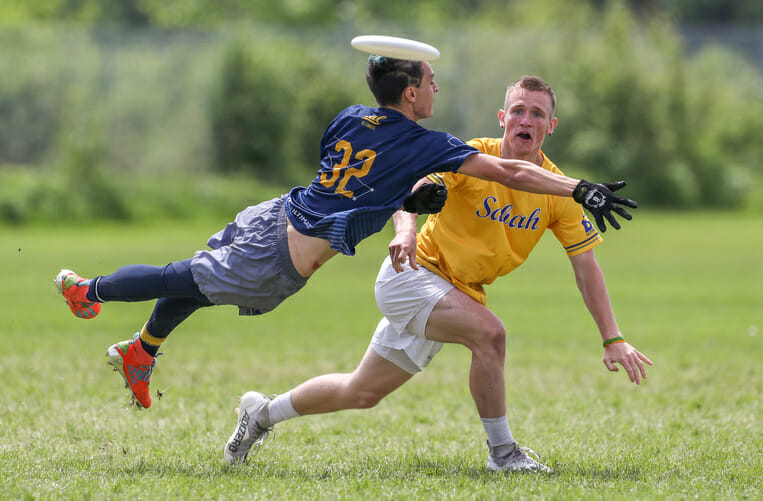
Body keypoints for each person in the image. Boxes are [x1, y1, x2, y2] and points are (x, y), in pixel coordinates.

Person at [55, 57, 637, 411]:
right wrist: (581, 187)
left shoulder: (350, 115)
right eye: (431, 81)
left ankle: (142, 352)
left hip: (276, 212)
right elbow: (508, 172)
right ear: (410, 93)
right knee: (183, 277)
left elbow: (364, 181)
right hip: (282, 258)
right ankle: (91, 292)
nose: (436, 89)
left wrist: (406, 200)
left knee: (197, 282)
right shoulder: (426, 144)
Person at [222, 75, 652, 472]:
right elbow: (412, 188)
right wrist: (406, 231)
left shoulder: (556, 191)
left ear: (550, 126)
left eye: (536, 113)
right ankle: (503, 454)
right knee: (491, 335)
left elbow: (585, 267)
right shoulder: (473, 156)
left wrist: (612, 338)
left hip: (454, 294)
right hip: (412, 275)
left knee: (362, 391)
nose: (526, 119)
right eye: (518, 110)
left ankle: (262, 412)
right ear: (503, 118)